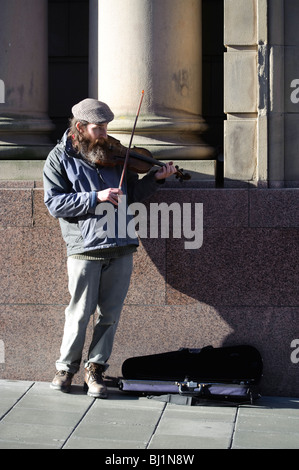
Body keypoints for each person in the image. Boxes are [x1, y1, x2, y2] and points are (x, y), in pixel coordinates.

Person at [43, 98, 176, 398]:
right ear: (80, 128)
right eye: (98, 128)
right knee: (79, 313)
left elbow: (132, 195)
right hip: (85, 246)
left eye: (106, 127)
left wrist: (155, 179)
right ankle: (66, 368)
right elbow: (54, 204)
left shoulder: (115, 155)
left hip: (121, 245)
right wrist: (96, 197)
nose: (105, 134)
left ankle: (96, 369)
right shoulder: (58, 159)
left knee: (110, 315)